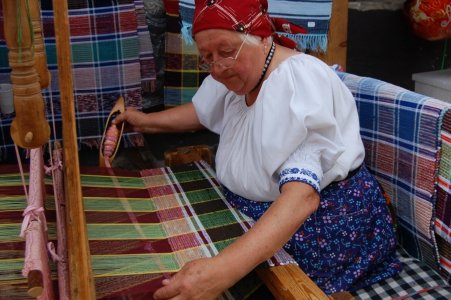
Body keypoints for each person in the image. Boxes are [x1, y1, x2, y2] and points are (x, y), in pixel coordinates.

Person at [113, 0, 402, 298]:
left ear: (264, 39)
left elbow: (302, 197)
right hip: (253, 213)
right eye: (206, 57)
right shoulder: (235, 74)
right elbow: (201, 112)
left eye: (225, 52)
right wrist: (144, 122)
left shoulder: (299, 82)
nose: (217, 69)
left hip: (320, 227)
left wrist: (221, 271)